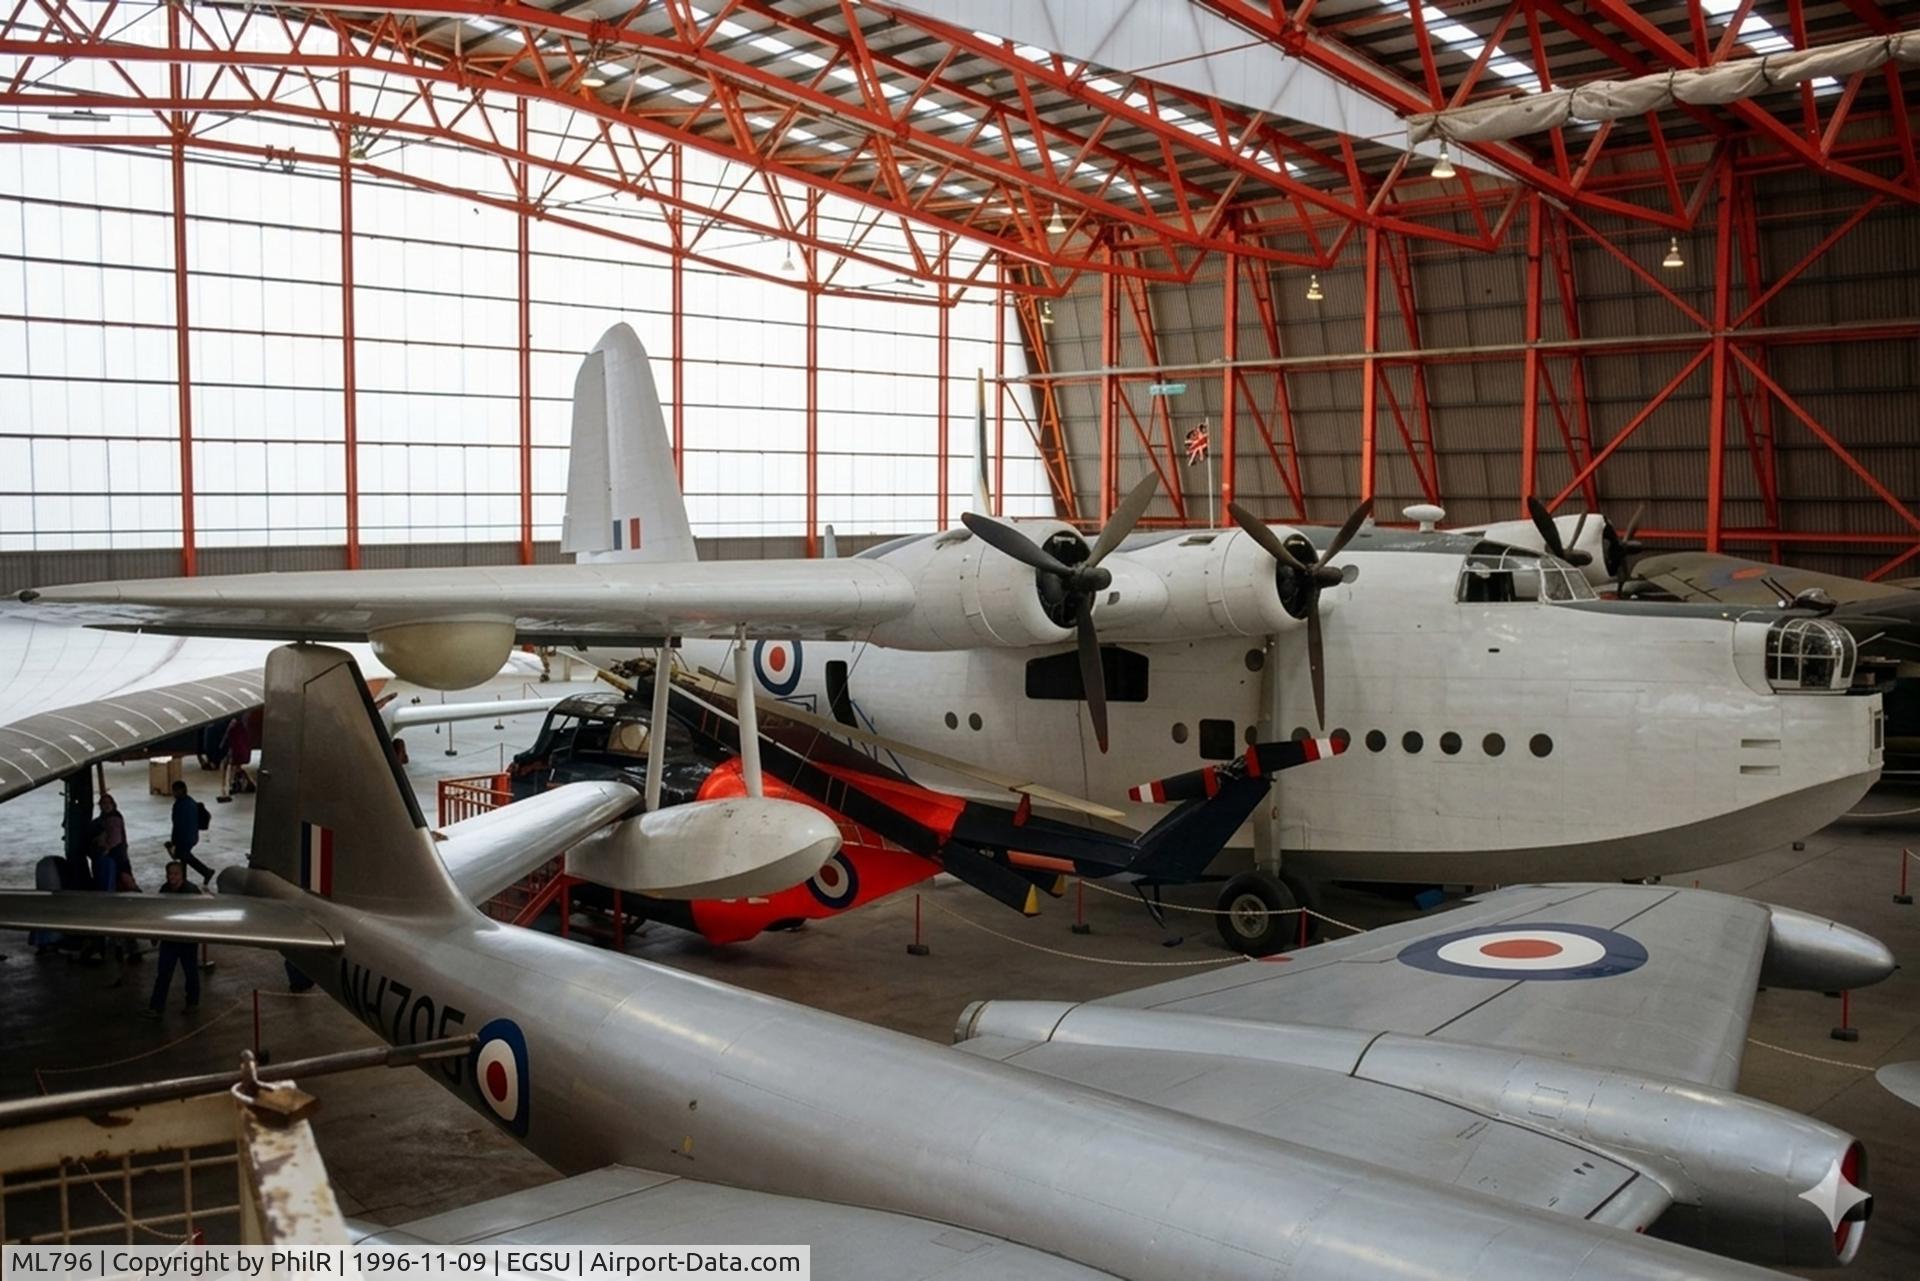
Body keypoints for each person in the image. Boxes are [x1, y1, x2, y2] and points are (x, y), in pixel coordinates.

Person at [146, 862, 201, 1017]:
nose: (172, 877)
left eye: (175, 874)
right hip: (170, 938)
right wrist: (155, 934)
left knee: (190, 973)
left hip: (186, 939)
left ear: (182, 875)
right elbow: (159, 914)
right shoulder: (165, 890)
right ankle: (156, 1006)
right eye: (170, 874)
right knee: (164, 973)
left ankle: (192, 1003)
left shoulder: (191, 892)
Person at [169, 780, 215, 884]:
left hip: (184, 838)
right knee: (184, 857)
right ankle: (184, 878)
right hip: (192, 836)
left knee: (184, 856)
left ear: (179, 791)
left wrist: (174, 841)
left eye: (174, 791)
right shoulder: (191, 802)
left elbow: (178, 825)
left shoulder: (179, 805)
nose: (173, 793)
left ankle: (206, 872)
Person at [219, 716, 255, 802]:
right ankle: (227, 787)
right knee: (232, 766)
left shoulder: (235, 725)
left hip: (234, 745)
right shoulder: (238, 725)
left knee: (229, 766)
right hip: (235, 745)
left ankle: (225, 788)